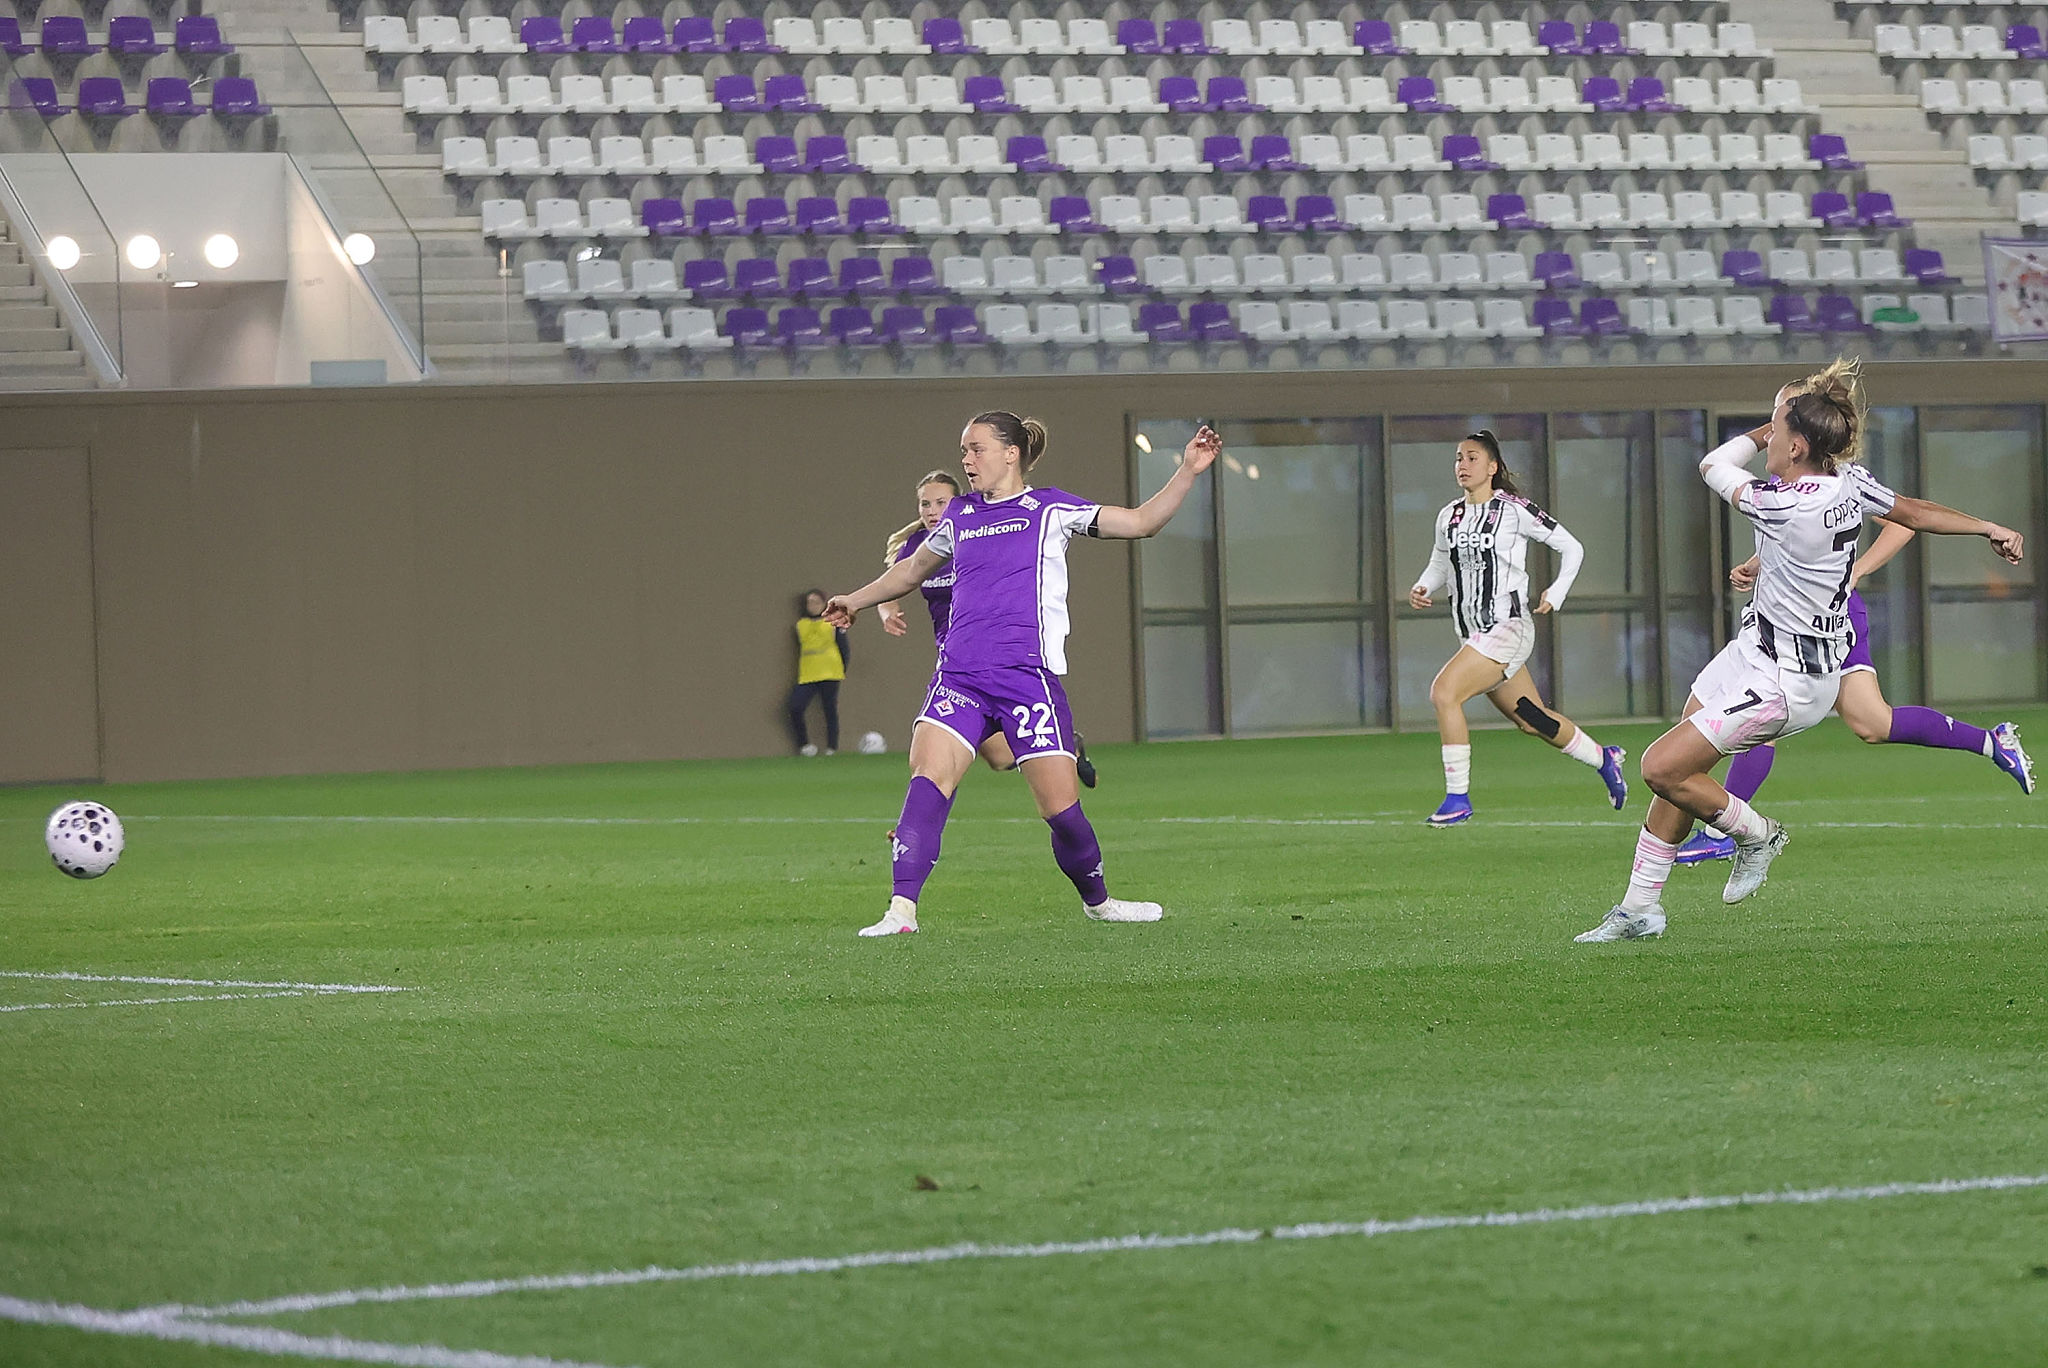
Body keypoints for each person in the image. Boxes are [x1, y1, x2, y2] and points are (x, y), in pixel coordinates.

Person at [1579, 359, 2026, 942]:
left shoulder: (1782, 502)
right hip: (1754, 649)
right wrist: (1988, 526)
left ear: (1795, 446)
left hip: (1788, 679)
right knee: (1682, 766)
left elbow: (1712, 463)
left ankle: (1756, 834)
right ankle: (1640, 908)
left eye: (1776, 429)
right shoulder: (1848, 482)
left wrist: (1759, 431)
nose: (1768, 436)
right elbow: (1914, 512)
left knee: (1660, 767)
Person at [823, 413, 1222, 936]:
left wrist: (1188, 470)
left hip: (1026, 679)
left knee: (1061, 812)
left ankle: (1100, 903)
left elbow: (1142, 522)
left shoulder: (1051, 509)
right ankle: (901, 912)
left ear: (1011, 453)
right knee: (928, 778)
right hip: (960, 676)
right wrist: (855, 599)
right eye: (964, 450)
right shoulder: (960, 516)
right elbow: (911, 570)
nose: (967, 460)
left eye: (977, 449)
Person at [1674, 523, 2035, 865]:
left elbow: (1904, 521)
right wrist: (1758, 563)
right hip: (1789, 609)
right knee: (1874, 723)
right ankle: (1992, 742)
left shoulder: (1840, 482)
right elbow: (1796, 533)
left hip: (1822, 617)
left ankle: (1719, 834)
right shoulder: (1785, 487)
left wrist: (1857, 570)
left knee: (1762, 711)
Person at [1408, 429, 1629, 825]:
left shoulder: (1514, 510)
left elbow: (1572, 547)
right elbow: (1440, 562)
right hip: (1474, 634)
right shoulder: (1449, 516)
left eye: (1472, 458)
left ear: (1492, 467)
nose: (1462, 465)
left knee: (1444, 693)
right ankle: (1604, 759)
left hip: (1507, 628)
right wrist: (1423, 585)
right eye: (1459, 458)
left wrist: (1557, 591)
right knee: (1532, 719)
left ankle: (1458, 798)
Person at [878, 469, 1097, 787]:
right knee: (997, 757)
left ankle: (1057, 748)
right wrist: (887, 611)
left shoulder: (975, 532)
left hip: (999, 655)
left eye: (940, 503)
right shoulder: (918, 545)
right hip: (957, 660)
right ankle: (1067, 745)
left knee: (944, 756)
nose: (932, 511)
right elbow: (894, 581)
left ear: (958, 503)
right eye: (925, 504)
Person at [787, 589, 847, 756]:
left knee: (829, 709)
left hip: (830, 671)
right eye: (810, 603)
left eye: (816, 602)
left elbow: (844, 648)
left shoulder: (832, 622)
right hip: (808, 673)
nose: (812, 606)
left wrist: (842, 667)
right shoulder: (802, 624)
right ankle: (804, 745)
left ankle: (832, 747)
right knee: (795, 706)